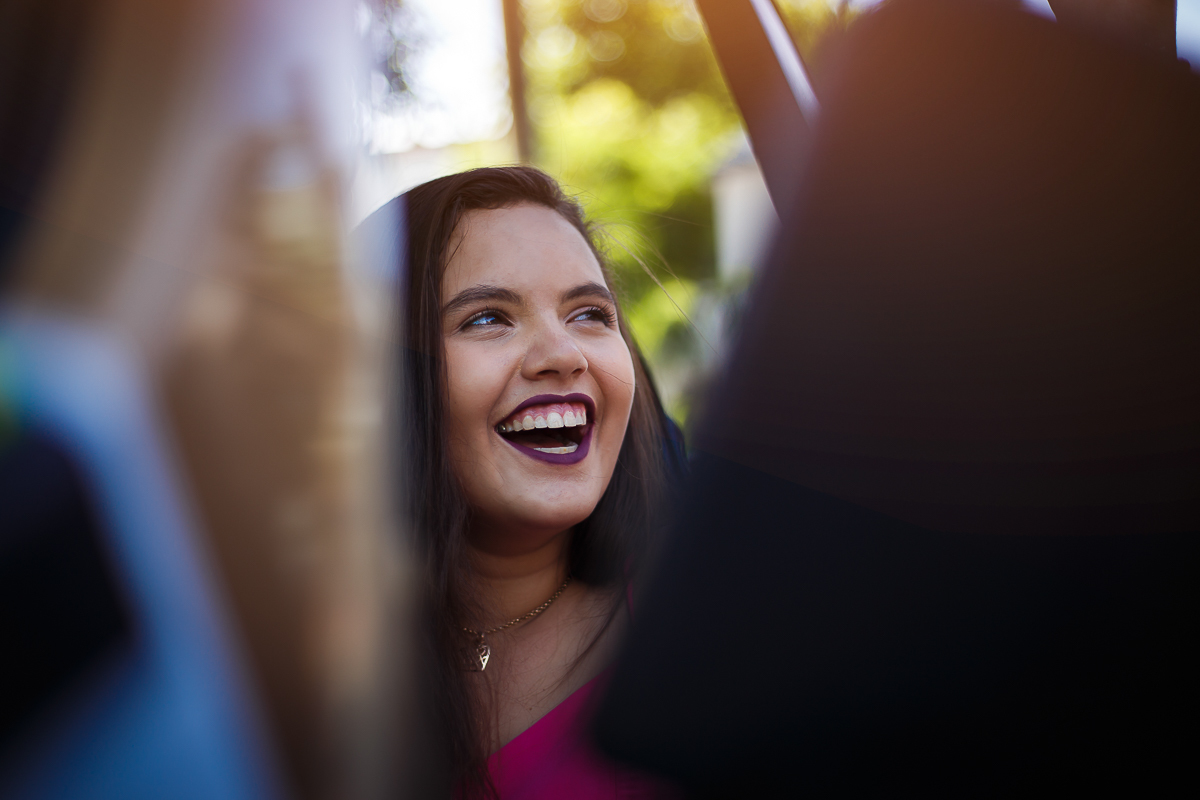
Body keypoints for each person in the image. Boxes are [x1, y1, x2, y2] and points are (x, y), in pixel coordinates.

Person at [366, 166, 682, 798]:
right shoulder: (280, 679)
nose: (563, 354)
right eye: (486, 319)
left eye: (591, 313)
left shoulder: (711, 630)